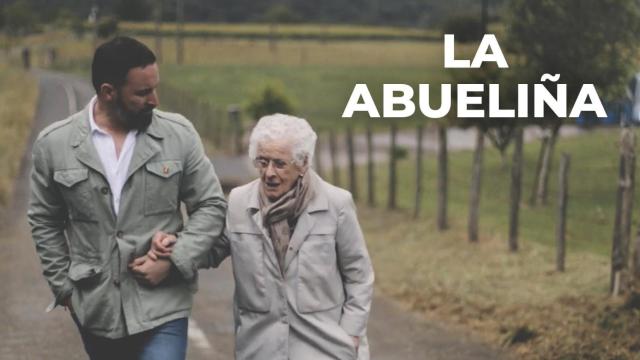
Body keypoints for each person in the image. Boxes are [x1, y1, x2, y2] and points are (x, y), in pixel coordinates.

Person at [27, 36, 226, 360]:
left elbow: (211, 205)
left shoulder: (179, 134)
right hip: (96, 307)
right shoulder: (54, 144)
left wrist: (174, 260)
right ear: (108, 92)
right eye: (143, 92)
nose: (155, 100)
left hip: (165, 303)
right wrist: (63, 287)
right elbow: (44, 219)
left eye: (155, 88)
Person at [152, 113, 375, 360]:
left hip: (325, 347)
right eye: (262, 162)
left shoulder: (336, 203)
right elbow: (213, 249)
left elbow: (359, 274)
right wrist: (179, 245)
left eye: (279, 164)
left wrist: (351, 333)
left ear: (302, 164)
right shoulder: (238, 202)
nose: (269, 173)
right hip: (260, 348)